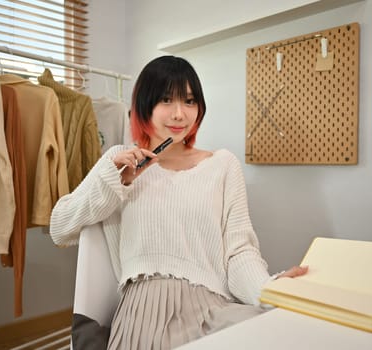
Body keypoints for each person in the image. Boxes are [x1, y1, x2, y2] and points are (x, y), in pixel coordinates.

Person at [49, 55, 307, 350]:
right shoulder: (119, 161)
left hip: (212, 308)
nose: (179, 114)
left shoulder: (223, 165)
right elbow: (60, 227)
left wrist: (268, 290)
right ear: (145, 105)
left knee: (288, 336)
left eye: (189, 101)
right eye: (166, 100)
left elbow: (239, 252)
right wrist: (114, 180)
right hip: (141, 316)